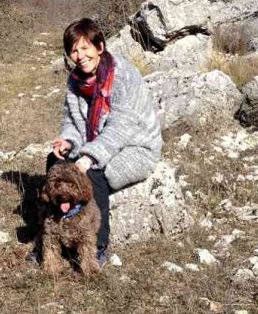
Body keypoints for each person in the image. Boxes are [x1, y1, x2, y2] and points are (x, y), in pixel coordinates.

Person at [32, 18, 162, 266]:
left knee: (94, 172)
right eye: (73, 50)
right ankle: (55, 232)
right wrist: (68, 142)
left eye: (85, 48)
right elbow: (72, 120)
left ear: (99, 46)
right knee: (54, 161)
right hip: (95, 142)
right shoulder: (75, 81)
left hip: (134, 146)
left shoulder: (124, 75)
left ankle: (98, 245)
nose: (79, 56)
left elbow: (120, 129)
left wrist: (88, 158)